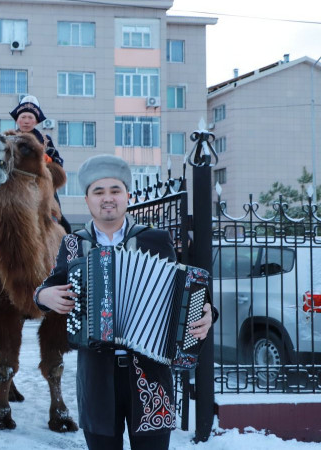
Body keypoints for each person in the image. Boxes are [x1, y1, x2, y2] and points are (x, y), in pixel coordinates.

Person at [34, 154, 217, 450]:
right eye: (99, 191)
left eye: (115, 190)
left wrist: (208, 311)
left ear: (127, 196)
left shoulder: (155, 239)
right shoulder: (73, 243)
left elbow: (181, 289)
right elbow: (51, 284)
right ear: (87, 200)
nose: (108, 198)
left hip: (150, 376)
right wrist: (43, 295)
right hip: (95, 376)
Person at [9, 94, 71, 233]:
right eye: (23, 117)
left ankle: (67, 251)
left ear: (36, 121)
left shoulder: (46, 140)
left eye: (30, 117)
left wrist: (48, 161)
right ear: (17, 120)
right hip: (12, 188)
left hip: (41, 187)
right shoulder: (8, 139)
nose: (26, 121)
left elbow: (58, 164)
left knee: (64, 227)